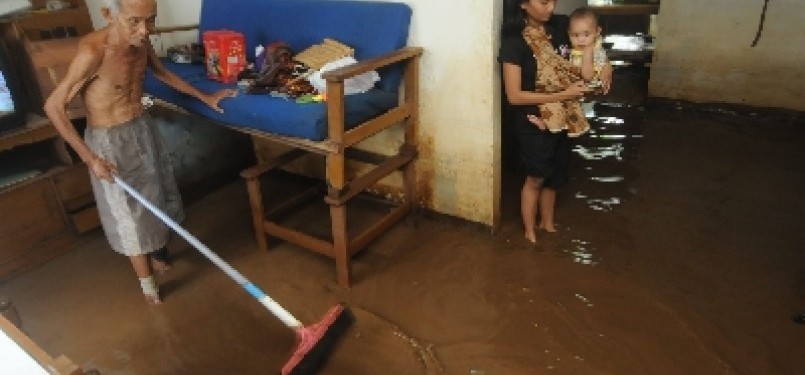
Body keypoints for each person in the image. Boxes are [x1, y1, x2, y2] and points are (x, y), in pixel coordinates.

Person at [44, 0, 236, 304]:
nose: (144, 30)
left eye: (151, 20)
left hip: (141, 126)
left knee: (159, 192)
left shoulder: (141, 40)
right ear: (110, 15)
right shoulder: (93, 52)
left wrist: (205, 96)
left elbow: (162, 73)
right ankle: (148, 287)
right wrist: (90, 158)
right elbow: (54, 106)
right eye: (134, 21)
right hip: (109, 139)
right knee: (128, 212)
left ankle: (159, 255)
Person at [499, 0, 611, 243]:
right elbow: (514, 96)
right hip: (532, 119)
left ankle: (547, 222)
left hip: (563, 117)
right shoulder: (513, 42)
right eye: (543, 1)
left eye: (553, 1)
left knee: (555, 175)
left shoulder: (562, 26)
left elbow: (592, 45)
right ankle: (529, 230)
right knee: (536, 176)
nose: (551, 7)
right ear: (523, 4)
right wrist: (563, 95)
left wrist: (607, 69)